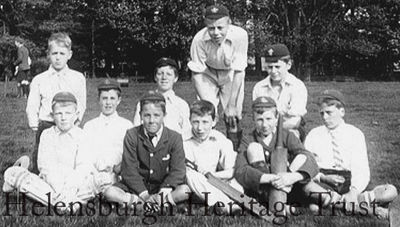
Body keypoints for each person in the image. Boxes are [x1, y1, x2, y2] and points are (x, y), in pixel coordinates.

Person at [304, 89, 398, 216]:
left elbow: (361, 167)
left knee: (390, 191)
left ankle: (334, 202)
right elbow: (307, 167)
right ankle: (370, 210)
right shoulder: (314, 134)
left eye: (329, 113)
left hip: (349, 179)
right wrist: (323, 177)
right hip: (324, 180)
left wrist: (353, 191)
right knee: (308, 187)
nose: (325, 117)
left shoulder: (355, 134)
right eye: (322, 113)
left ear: (342, 111)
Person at [3, 92, 97, 212]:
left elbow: (82, 167)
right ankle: (69, 204)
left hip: (75, 184)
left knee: (101, 178)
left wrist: (69, 188)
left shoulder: (82, 135)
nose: (63, 118)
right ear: (52, 115)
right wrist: (58, 188)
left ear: (76, 115)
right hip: (51, 183)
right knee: (12, 173)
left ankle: (58, 203)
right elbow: (45, 166)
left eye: (68, 113)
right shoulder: (47, 135)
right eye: (59, 113)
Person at [103, 91, 190, 211]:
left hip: (162, 186)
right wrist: (144, 194)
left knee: (185, 191)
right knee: (110, 192)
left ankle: (145, 205)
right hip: (137, 187)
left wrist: (164, 191)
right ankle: (154, 205)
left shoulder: (174, 137)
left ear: (164, 115)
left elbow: (178, 170)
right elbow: (129, 170)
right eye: (147, 115)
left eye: (156, 115)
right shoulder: (132, 135)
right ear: (140, 115)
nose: (151, 120)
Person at [234, 96, 318, 212]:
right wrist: (271, 179)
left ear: (277, 117)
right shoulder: (248, 139)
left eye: (269, 119)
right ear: (253, 119)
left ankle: (286, 203)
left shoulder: (286, 135)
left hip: (288, 187)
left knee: (301, 156)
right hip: (262, 191)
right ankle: (275, 203)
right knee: (254, 148)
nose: (264, 125)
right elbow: (240, 170)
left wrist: (291, 177)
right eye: (259, 119)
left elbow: (310, 160)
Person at [187, 4, 248, 150]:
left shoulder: (240, 36)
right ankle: (207, 153)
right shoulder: (198, 39)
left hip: (230, 73)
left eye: (220, 28)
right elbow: (196, 74)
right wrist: (209, 106)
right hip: (207, 75)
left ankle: (233, 153)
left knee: (232, 117)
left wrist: (231, 105)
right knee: (206, 115)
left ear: (229, 23)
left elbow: (239, 70)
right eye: (211, 28)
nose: (215, 33)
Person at [26, 32, 86, 174]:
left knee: (68, 159)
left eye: (62, 53)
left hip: (69, 124)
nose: (58, 57)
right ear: (48, 55)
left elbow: (81, 103)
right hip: (47, 125)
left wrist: (76, 122)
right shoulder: (40, 79)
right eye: (54, 53)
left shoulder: (77, 78)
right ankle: (39, 190)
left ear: (69, 54)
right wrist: (35, 125)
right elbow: (32, 104)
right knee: (42, 162)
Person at [184, 100, 243, 214]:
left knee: (236, 184)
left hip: (215, 180)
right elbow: (187, 173)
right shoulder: (183, 140)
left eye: (205, 122)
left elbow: (231, 171)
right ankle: (227, 204)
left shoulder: (220, 139)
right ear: (189, 120)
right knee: (190, 175)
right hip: (195, 186)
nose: (200, 128)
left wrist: (213, 177)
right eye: (195, 122)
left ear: (214, 121)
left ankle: (216, 204)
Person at [81, 79, 133, 193]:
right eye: (104, 98)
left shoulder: (126, 125)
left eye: (112, 98)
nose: (108, 103)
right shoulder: (89, 126)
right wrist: (93, 172)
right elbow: (85, 155)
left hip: (116, 174)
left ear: (119, 100)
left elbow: (129, 156)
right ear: (98, 100)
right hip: (93, 173)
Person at [252, 44, 307, 140]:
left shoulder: (297, 86)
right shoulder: (259, 87)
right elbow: (258, 116)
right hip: (264, 130)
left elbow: (295, 121)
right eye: (270, 67)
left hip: (290, 130)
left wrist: (273, 129)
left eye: (277, 67)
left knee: (292, 137)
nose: (273, 71)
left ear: (288, 65)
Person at [133, 57, 190, 135]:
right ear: (155, 77)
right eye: (160, 74)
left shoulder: (182, 105)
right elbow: (136, 130)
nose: (164, 77)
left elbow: (186, 132)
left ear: (175, 78)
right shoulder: (144, 102)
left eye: (169, 74)